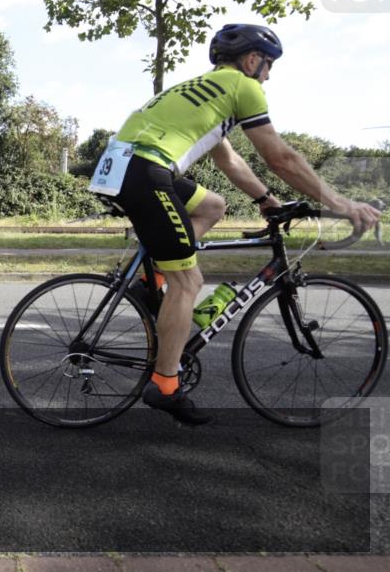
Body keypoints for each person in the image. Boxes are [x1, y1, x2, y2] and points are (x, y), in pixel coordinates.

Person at [90, 23, 382, 425]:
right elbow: (281, 157)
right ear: (251, 60)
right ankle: (165, 384)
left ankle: (149, 280)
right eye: (268, 65)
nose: (269, 75)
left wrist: (266, 200)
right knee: (188, 282)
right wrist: (341, 203)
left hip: (125, 165)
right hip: (144, 170)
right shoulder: (244, 88)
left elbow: (229, 160)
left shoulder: (200, 91)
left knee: (212, 205)